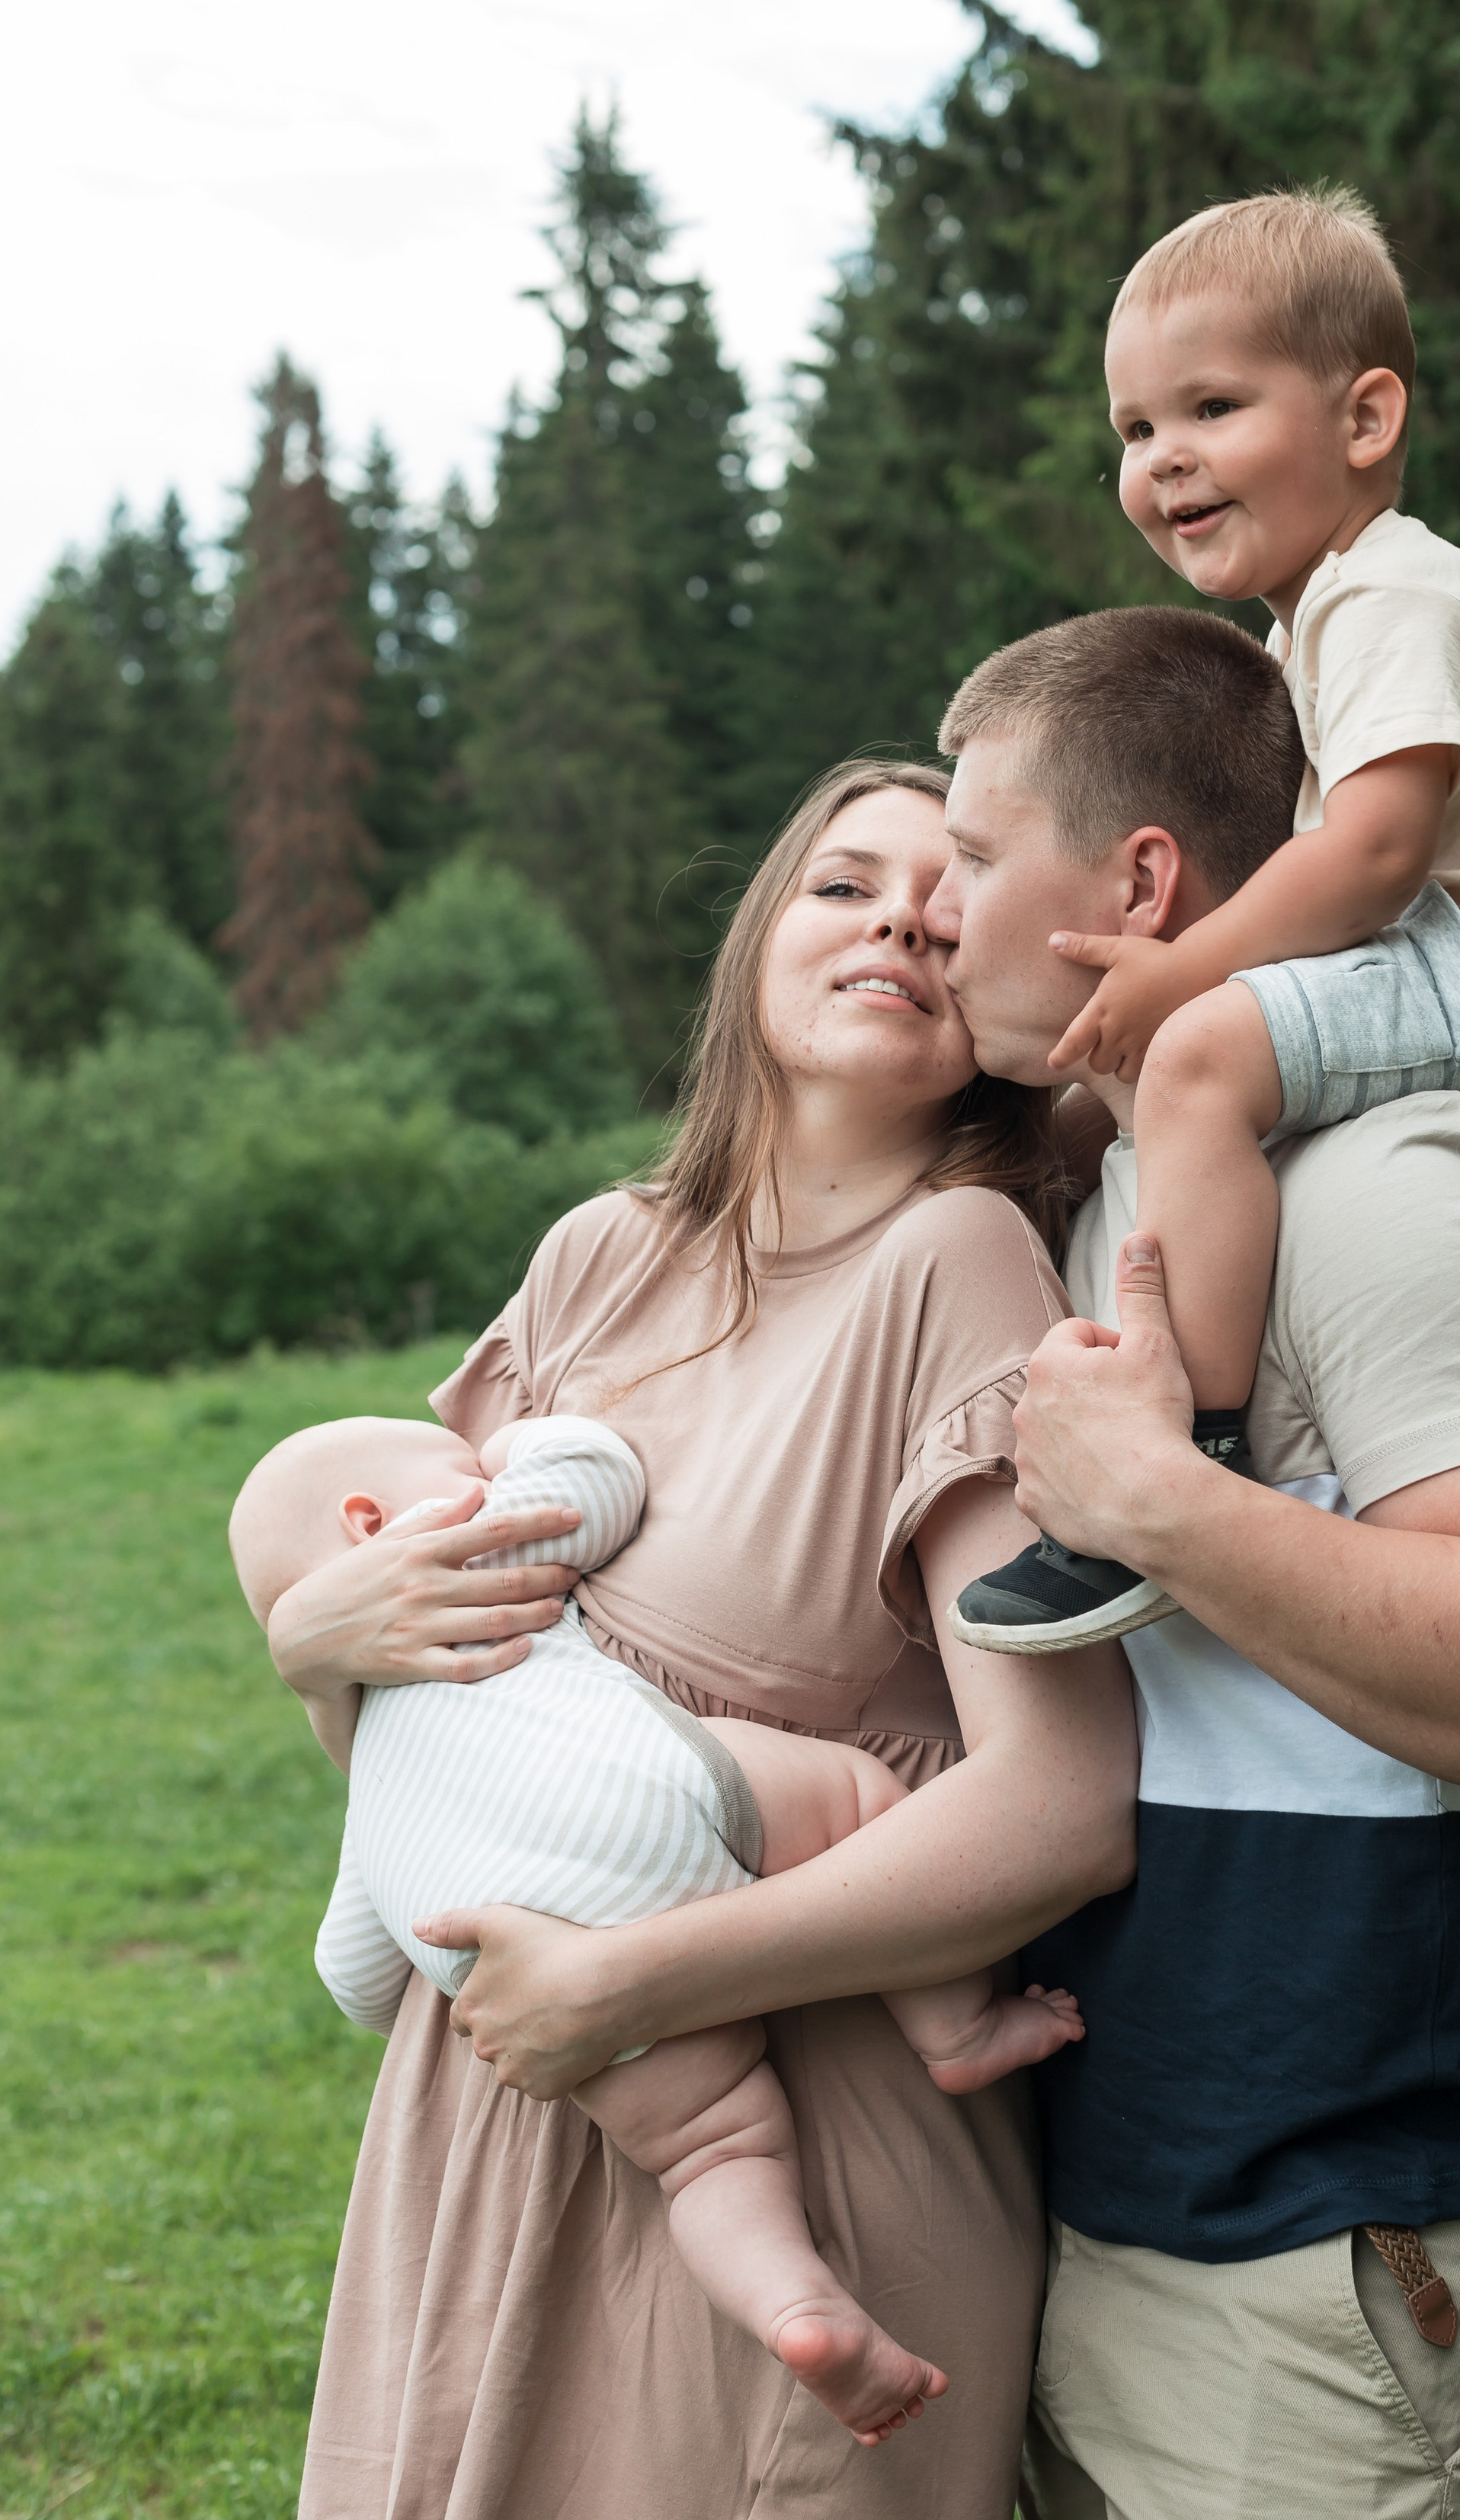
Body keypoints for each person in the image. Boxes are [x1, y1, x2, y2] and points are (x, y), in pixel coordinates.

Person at [248, 760, 1137, 2520]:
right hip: (500, 2092)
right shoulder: (598, 1257)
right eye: (840, 885)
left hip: (802, 2120)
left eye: (943, 902)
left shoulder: (957, 1261)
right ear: (755, 943)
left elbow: (1060, 1808)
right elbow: (454, 1756)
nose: (896, 917)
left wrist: (632, 1982)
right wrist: (318, 1652)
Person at [919, 601, 1460, 2518]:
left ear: (1140, 879)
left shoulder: (1385, 1180)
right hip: (1139, 2205)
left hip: (1340, 2253)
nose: (933, 905)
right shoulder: (1125, 1203)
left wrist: (1157, 1500)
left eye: (975, 851)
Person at [956, 188, 1460, 1650]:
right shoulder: (1324, 617)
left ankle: (1189, 1447)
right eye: (1135, 430)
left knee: (1204, 1060)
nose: (1165, 461)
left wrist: (1181, 980)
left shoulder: (1391, 596)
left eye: (1212, 407)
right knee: (1171, 1088)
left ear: (1365, 422)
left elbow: (1375, 852)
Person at [233, 1408, 1081, 2446]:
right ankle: (957, 2030)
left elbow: (354, 1978)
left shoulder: (370, 1783)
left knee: (713, 2157)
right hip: (635, 1807)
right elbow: (597, 1475)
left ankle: (798, 2312)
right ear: (371, 1523)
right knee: (859, 1800)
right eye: (456, 1462)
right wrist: (513, 1455)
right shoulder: (459, 1551)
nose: (478, 1463)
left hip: (500, 1944)